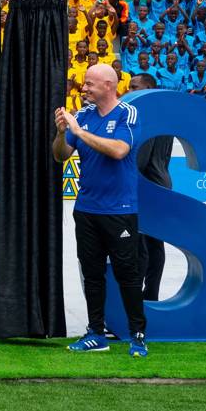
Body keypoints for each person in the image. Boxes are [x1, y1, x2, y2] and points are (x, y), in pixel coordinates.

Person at [53, 63, 147, 357]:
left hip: (119, 210)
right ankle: (96, 333)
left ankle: (137, 335)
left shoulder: (127, 114)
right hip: (86, 210)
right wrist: (61, 134)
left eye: (89, 83)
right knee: (91, 274)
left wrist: (79, 132)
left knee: (127, 274)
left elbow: (119, 150)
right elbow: (61, 156)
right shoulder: (82, 116)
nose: (84, 88)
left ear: (109, 85)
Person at [128, 73, 173, 302]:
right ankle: (151, 293)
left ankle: (139, 296)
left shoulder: (144, 117)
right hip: (162, 183)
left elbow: (141, 160)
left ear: (148, 88)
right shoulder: (165, 115)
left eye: (134, 86)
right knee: (155, 244)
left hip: (147, 185)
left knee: (142, 244)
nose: (129, 90)